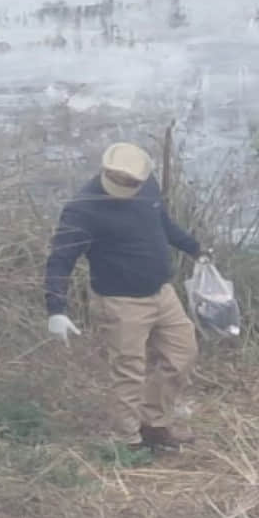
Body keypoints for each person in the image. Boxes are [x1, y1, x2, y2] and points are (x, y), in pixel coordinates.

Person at [43, 142, 207, 452]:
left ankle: (154, 423)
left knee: (182, 355)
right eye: (117, 180)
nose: (124, 186)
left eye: (130, 182)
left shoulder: (147, 187)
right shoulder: (83, 208)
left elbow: (161, 223)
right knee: (128, 372)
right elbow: (60, 259)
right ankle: (127, 441)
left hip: (162, 293)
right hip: (120, 302)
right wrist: (56, 309)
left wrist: (195, 248)